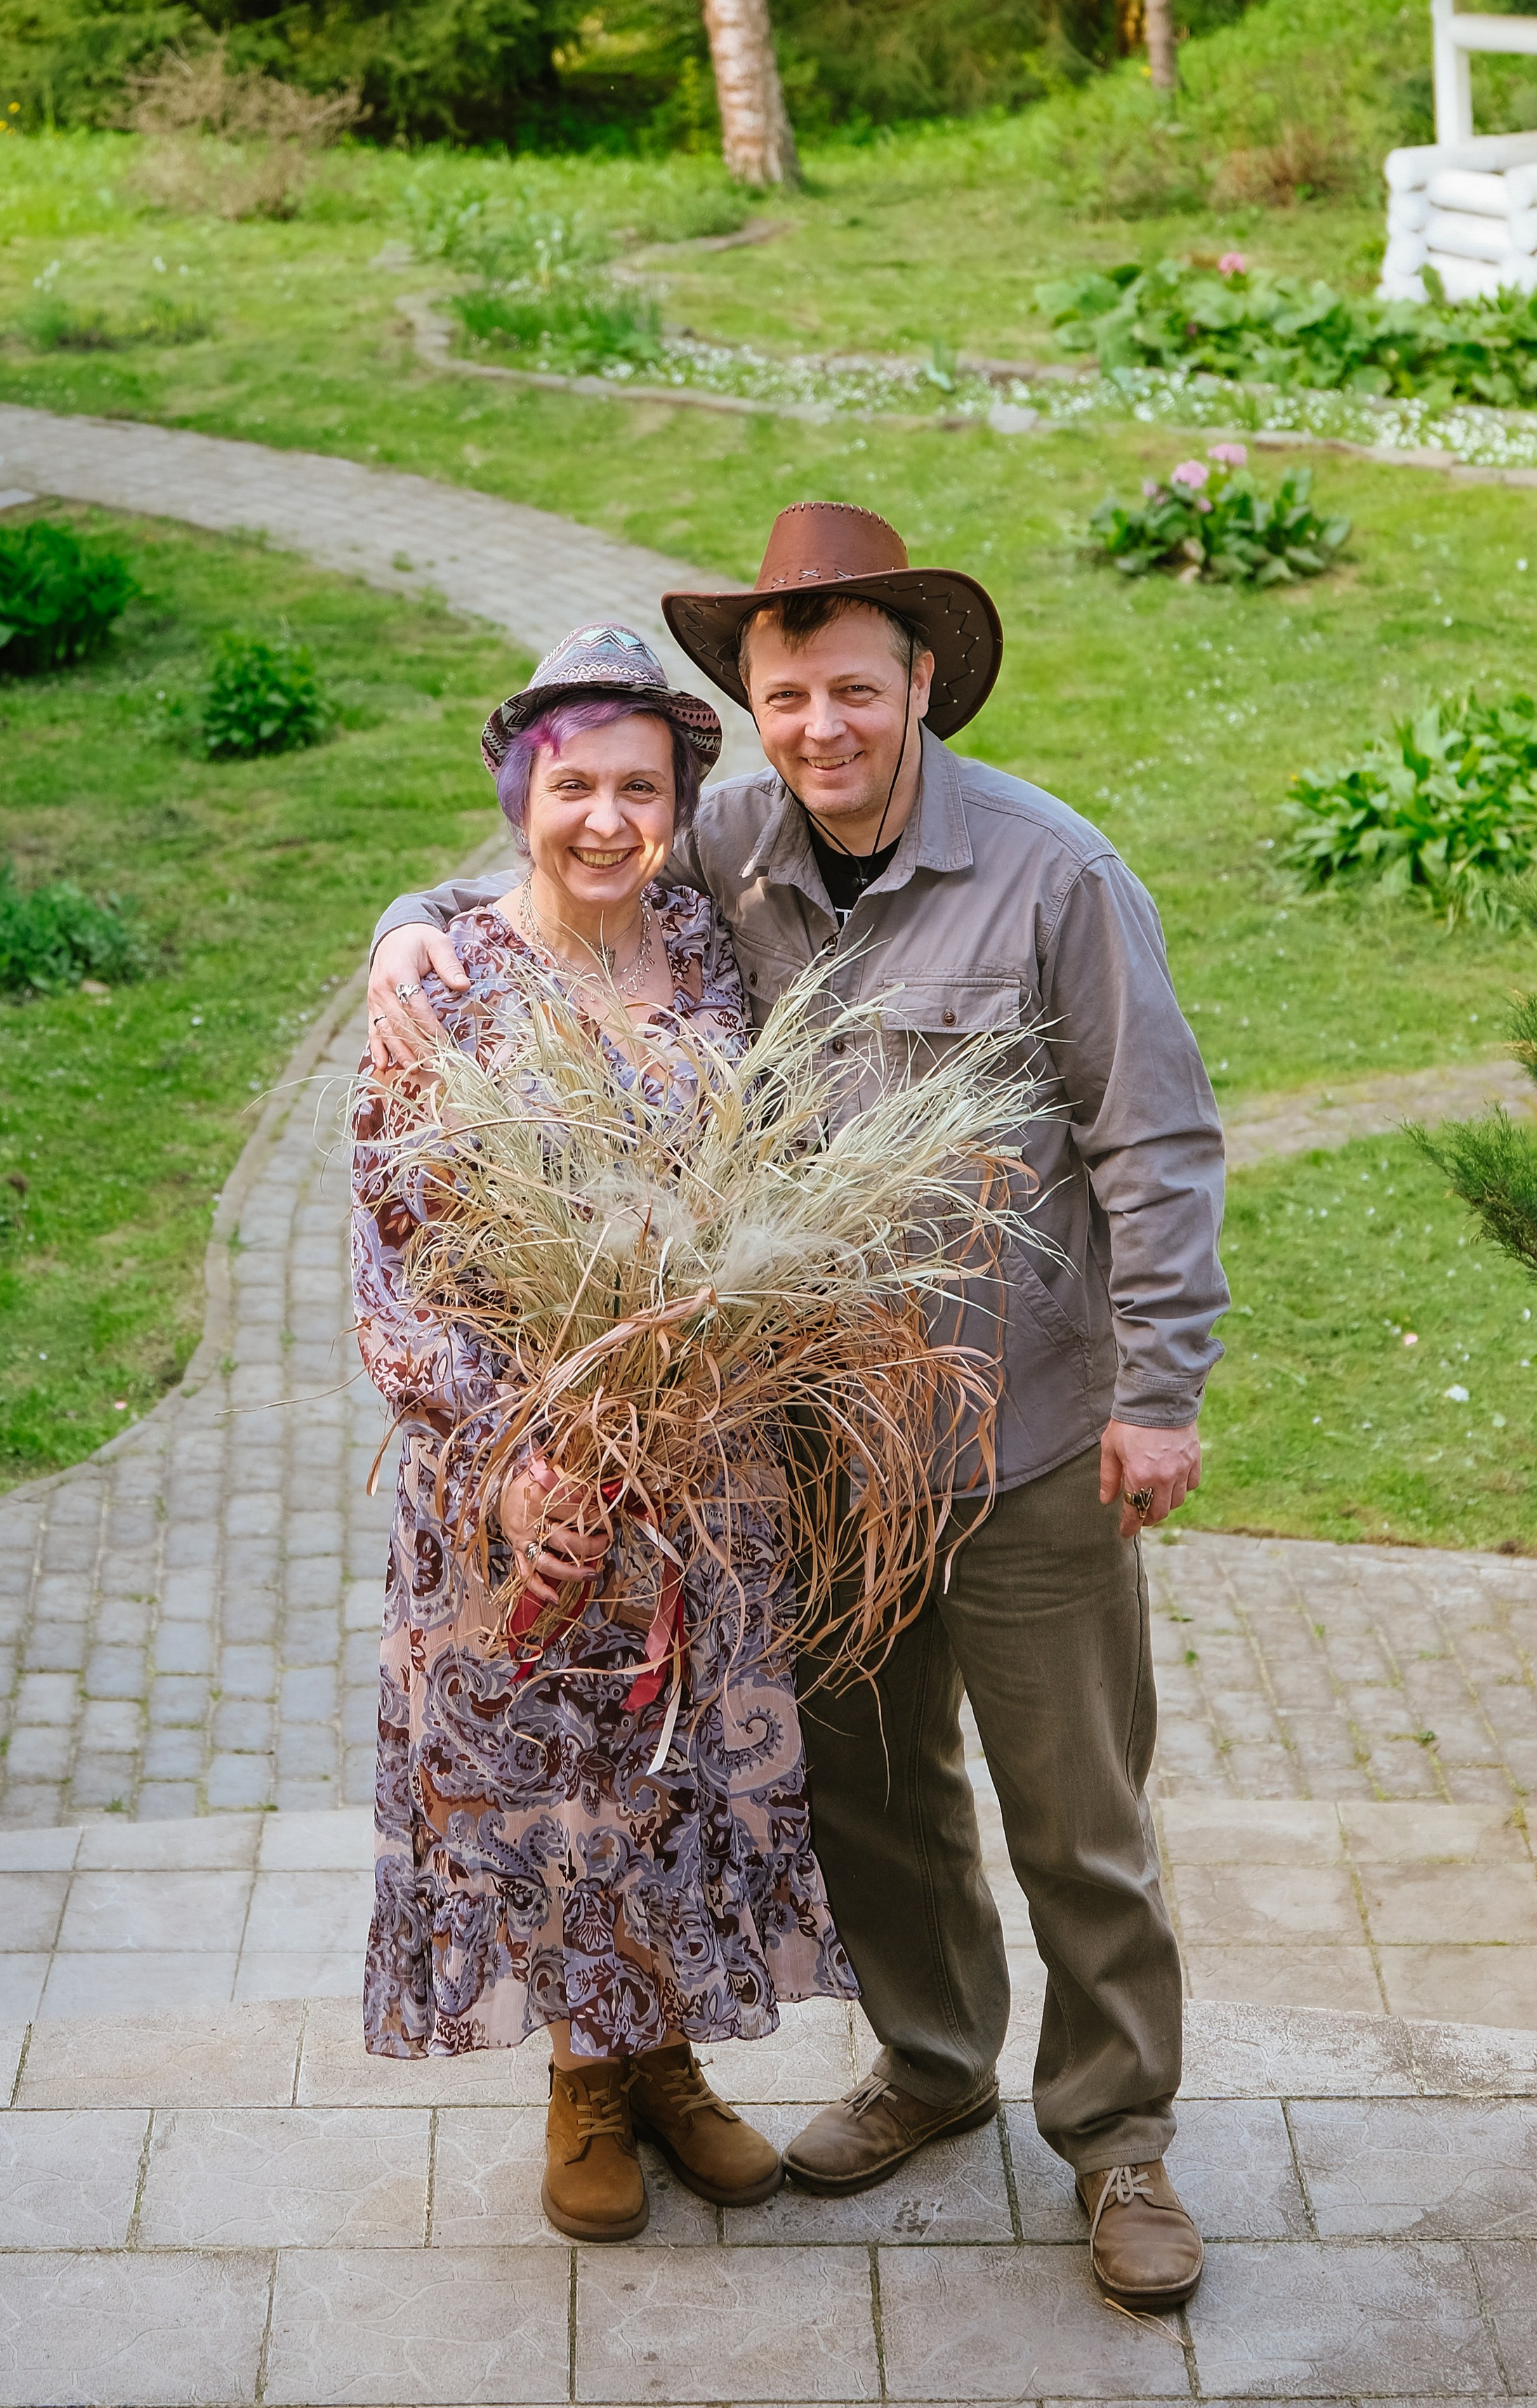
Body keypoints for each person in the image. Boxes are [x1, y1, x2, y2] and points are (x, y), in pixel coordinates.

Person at [367, 505, 1229, 2312]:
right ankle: (930, 2064)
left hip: (1033, 1434)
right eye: (783, 692)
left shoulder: (1052, 876)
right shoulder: (725, 846)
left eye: (853, 687)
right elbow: (553, 885)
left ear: (921, 686)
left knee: (1074, 1808)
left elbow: (1153, 1143)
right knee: (875, 1791)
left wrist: (1160, 1391)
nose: (818, 724)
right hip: (820, 1454)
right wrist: (418, 937)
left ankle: (1118, 2135)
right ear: (745, 709)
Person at [352, 622, 857, 2246]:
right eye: (572, 784)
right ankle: (583, 2082)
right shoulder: (451, 983)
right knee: (554, 1782)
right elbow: (395, 1268)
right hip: (522, 1484)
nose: (602, 820)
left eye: (637, 787)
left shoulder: (705, 954)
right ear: (522, 791)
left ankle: (668, 2070)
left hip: (698, 1468)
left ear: (676, 803)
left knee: (675, 1772)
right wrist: (514, 1464)